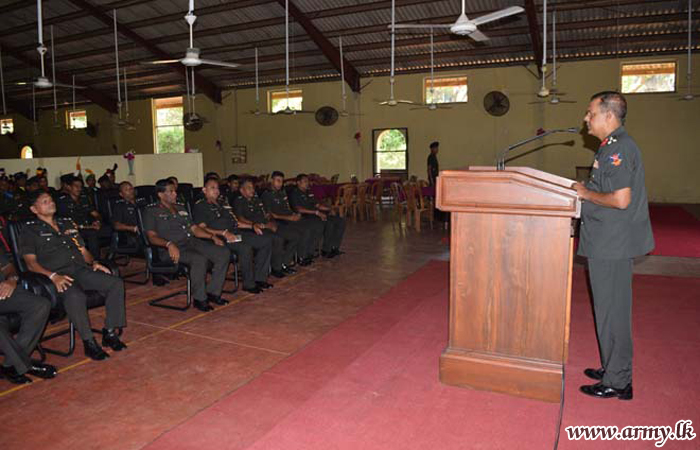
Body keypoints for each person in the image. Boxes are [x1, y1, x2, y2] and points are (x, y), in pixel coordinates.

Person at [573, 91, 654, 400]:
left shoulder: (618, 148)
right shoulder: (610, 146)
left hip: (612, 244)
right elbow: (606, 189)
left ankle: (618, 380)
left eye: (591, 113)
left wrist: (585, 194)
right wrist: (588, 190)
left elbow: (620, 200)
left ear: (608, 116)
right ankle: (613, 367)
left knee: (613, 312)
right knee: (607, 310)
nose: (586, 118)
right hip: (606, 242)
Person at [21, 191, 128, 361]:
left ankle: (109, 332)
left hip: (80, 269)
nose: (51, 203)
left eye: (51, 200)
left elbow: (83, 250)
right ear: (34, 209)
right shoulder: (30, 230)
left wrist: (94, 262)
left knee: (115, 283)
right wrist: (53, 276)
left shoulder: (67, 223)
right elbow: (30, 263)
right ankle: (88, 342)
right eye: (45, 202)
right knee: (76, 295)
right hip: (57, 276)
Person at [142, 178, 230, 312]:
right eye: (171, 191)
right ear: (161, 194)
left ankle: (213, 292)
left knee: (223, 253)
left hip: (191, 242)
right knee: (199, 259)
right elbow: (151, 237)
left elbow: (194, 229)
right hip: (170, 249)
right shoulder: (151, 211)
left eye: (175, 191)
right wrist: (169, 244)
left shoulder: (180, 208)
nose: (175, 194)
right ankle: (200, 299)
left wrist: (211, 236)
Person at [193, 178, 273, 295]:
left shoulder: (223, 203)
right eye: (212, 188)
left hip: (235, 233)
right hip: (220, 237)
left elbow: (236, 223)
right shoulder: (200, 206)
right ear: (204, 190)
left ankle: (260, 278)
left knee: (265, 241)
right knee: (245, 248)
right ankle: (249, 284)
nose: (216, 190)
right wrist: (223, 233)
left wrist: (252, 226)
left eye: (217, 188)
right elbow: (202, 228)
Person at [0, 245, 57, 384]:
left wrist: (11, 279)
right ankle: (24, 365)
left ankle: (11, 364)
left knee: (40, 305)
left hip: (2, 291)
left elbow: (8, 267)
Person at [234, 178, 296, 278]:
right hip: (252, 229)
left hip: (265, 226)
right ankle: (276, 268)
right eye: (249, 188)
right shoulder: (239, 201)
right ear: (242, 190)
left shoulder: (256, 200)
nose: (252, 190)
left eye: (252, 187)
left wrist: (271, 222)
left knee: (288, 234)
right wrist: (258, 224)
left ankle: (282, 264)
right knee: (276, 239)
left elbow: (266, 215)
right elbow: (240, 218)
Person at [262, 171, 319, 266]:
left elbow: (287, 208)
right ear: (272, 180)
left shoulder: (282, 192)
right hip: (280, 222)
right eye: (278, 181)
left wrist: (294, 214)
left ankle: (303, 255)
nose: (280, 183)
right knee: (300, 233)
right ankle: (290, 260)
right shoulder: (266, 195)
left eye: (281, 181)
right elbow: (271, 215)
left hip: (288, 218)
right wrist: (289, 217)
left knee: (310, 226)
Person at [289, 174, 345, 258]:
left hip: (315, 214)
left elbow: (317, 205)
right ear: (298, 183)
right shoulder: (294, 193)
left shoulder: (308, 192)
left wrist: (330, 209)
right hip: (305, 216)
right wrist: (316, 212)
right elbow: (299, 209)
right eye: (305, 181)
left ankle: (334, 247)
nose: (307, 183)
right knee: (328, 223)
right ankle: (325, 250)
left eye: (307, 181)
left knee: (340, 221)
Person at [56, 175, 104, 258]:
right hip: (73, 230)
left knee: (108, 229)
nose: (79, 188)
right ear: (69, 187)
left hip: (88, 227)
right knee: (92, 233)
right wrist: (89, 227)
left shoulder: (84, 198)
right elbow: (65, 222)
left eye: (80, 186)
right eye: (76, 186)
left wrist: (97, 221)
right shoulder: (63, 201)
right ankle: (95, 260)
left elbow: (96, 214)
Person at [111, 181, 141, 251]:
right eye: (127, 190)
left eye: (131, 188)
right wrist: (132, 228)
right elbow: (116, 225)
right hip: (131, 233)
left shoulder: (142, 202)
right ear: (121, 194)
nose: (130, 191)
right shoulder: (119, 206)